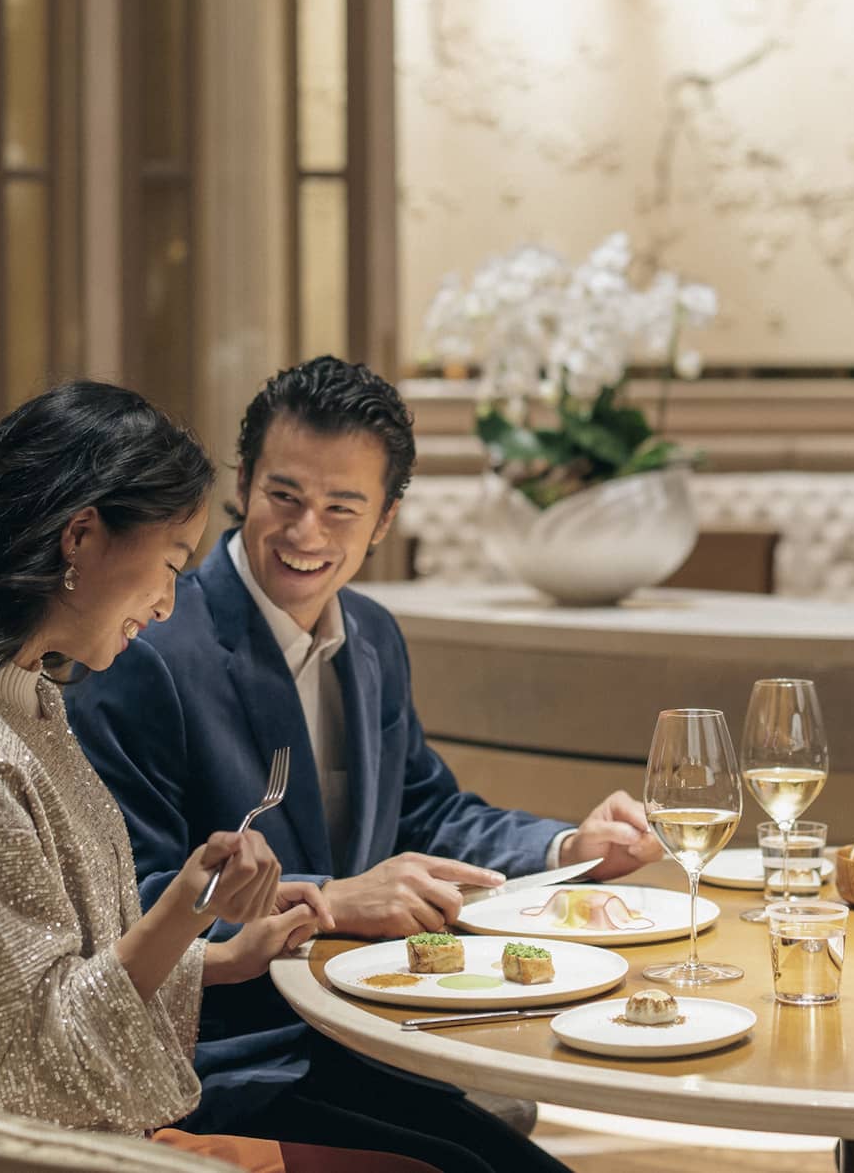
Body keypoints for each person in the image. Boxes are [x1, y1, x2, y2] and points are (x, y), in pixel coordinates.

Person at [0, 380, 433, 1173]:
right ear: (81, 536)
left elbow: (59, 985)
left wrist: (223, 952)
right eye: (169, 563)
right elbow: (22, 1080)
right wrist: (178, 915)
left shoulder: (27, 703)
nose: (169, 604)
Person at [68, 357, 663, 1170]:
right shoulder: (148, 648)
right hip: (232, 1058)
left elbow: (430, 814)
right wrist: (334, 902)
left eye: (341, 508)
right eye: (285, 496)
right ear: (242, 484)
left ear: (384, 520)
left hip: (367, 1027)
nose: (306, 533)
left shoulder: (374, 637)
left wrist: (569, 849)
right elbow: (128, 904)